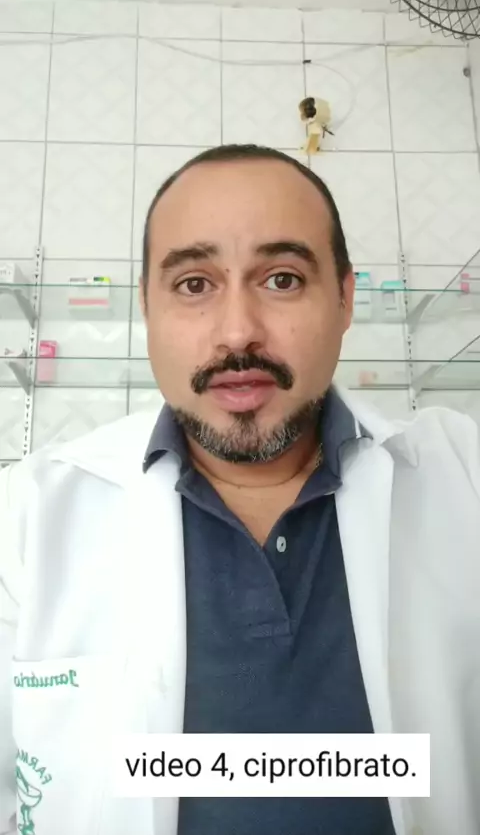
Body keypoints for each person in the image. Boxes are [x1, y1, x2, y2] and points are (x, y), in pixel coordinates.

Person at [0, 144, 479, 835]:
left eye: (282, 279)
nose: (237, 333)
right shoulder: (28, 517)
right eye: (194, 284)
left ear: (345, 298)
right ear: (147, 307)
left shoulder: (462, 477)